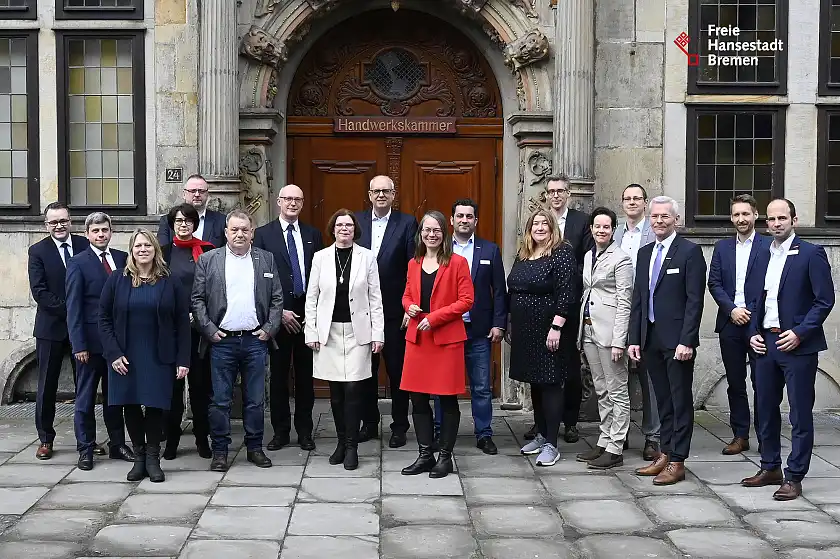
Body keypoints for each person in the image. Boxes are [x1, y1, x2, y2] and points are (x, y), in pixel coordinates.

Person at [742, 199, 835, 501]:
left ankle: (794, 476)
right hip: (765, 344)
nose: (777, 223)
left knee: (799, 413)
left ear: (794, 219)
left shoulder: (811, 253)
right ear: (765, 222)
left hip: (797, 346)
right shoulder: (761, 254)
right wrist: (752, 332)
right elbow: (755, 299)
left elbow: (824, 300)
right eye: (771, 219)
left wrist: (800, 333)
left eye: (782, 218)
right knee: (765, 410)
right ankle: (770, 467)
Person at [192, 210, 284, 472]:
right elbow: (197, 299)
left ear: (252, 232)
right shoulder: (209, 260)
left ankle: (254, 447)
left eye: (245, 229)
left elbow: (277, 298)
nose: (240, 234)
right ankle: (220, 451)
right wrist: (209, 330)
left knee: (255, 400)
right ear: (226, 232)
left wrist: (269, 329)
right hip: (222, 342)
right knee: (220, 400)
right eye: (235, 230)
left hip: (256, 340)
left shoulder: (265, 259)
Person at [99, 229, 191, 483]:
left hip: (159, 355)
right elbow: (103, 318)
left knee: (155, 407)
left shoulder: (169, 281)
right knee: (130, 405)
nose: (143, 250)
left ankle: (153, 458)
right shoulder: (118, 279)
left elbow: (182, 322)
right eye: (138, 246)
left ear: (155, 250)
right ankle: (139, 458)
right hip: (125, 356)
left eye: (147, 246)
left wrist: (183, 359)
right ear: (131, 250)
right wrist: (113, 353)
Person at [628, 196, 706, 486]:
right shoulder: (645, 253)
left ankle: (678, 461)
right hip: (650, 340)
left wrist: (688, 340)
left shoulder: (689, 252)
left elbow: (694, 301)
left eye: (665, 216)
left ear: (676, 219)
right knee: (662, 402)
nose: (659, 221)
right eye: (655, 216)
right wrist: (634, 338)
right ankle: (665, 452)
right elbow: (639, 298)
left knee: (680, 400)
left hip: (677, 343)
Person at [304, 209, 384, 471]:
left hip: (357, 333)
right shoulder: (320, 258)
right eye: (339, 225)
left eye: (349, 225)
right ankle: (340, 442)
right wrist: (312, 332)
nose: (344, 229)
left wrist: (377, 334)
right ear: (332, 228)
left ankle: (352, 447)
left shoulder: (367, 257)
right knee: (336, 394)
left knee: (353, 391)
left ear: (355, 230)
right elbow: (312, 298)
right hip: (329, 334)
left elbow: (375, 299)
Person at [400, 210, 474, 479]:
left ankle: (445, 457)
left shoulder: (457, 263)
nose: (431, 235)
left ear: (444, 233)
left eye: (436, 230)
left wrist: (434, 318)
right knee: (417, 400)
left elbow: (466, 300)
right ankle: (424, 454)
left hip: (445, 340)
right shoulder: (414, 262)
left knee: (447, 400)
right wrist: (408, 307)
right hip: (418, 339)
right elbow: (407, 294)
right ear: (421, 234)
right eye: (426, 230)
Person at [522, 175, 594, 444]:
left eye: (560, 191)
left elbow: (587, 259)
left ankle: (570, 421)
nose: (555, 195)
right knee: (539, 367)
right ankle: (541, 423)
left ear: (568, 193)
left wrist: (562, 278)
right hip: (537, 308)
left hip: (568, 305)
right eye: (551, 191)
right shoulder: (537, 221)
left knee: (570, 366)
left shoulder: (579, 221)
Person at [433, 199, 507, 455]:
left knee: (481, 385)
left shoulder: (489, 250)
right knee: (443, 385)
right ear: (451, 220)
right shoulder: (439, 250)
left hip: (478, 331)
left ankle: (484, 434)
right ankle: (440, 429)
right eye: (459, 216)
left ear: (476, 221)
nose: (464, 220)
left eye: (469, 216)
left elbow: (499, 291)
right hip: (446, 330)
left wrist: (499, 324)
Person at [253, 185, 324, 452]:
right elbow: (259, 279)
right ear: (279, 201)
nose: (292, 203)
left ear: (303, 203)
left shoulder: (313, 235)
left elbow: (319, 275)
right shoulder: (262, 235)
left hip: (307, 315)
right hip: (277, 316)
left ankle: (305, 431)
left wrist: (313, 313)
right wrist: (278, 312)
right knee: (279, 377)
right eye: (288, 199)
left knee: (306, 377)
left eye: (298, 199)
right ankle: (280, 432)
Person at [66, 212, 133, 471]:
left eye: (104, 230)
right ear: (87, 234)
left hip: (117, 344)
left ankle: (117, 444)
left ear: (111, 231)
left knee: (115, 397)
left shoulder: (121, 259)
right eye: (95, 231)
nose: (101, 235)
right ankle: (85, 448)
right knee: (85, 398)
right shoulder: (78, 263)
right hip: (90, 345)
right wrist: (78, 344)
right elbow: (74, 307)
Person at [509, 208, 577, 467]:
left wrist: (557, 326)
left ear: (552, 227)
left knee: (550, 383)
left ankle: (551, 443)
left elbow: (567, 292)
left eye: (544, 223)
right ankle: (540, 434)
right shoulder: (524, 254)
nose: (539, 227)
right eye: (535, 223)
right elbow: (513, 287)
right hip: (526, 330)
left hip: (549, 331)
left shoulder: (561, 252)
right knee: (535, 383)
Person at [357, 175, 418, 448]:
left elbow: (413, 266)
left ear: (394, 194)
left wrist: (409, 304)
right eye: (376, 191)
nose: (381, 195)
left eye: (386, 191)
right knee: (365, 372)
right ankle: (369, 423)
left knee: (397, 371)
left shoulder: (406, 223)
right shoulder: (356, 221)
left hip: (395, 312)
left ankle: (399, 426)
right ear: (369, 195)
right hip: (361, 311)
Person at [707, 194, 770, 455]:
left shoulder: (768, 247)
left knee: (762, 383)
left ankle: (766, 437)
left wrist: (750, 315)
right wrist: (732, 310)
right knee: (735, 382)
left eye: (746, 214)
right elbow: (715, 283)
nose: (741, 219)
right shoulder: (722, 248)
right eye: (736, 215)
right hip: (730, 324)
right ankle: (740, 435)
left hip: (759, 325)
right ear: (731, 217)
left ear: (755, 215)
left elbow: (770, 287)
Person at [28, 202, 89, 460]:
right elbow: (39, 292)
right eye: (53, 222)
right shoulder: (38, 251)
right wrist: (70, 310)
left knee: (84, 385)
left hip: (82, 330)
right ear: (46, 225)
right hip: (51, 327)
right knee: (47, 386)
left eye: (63, 220)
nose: (59, 226)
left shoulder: (85, 246)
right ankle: (45, 439)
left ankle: (86, 440)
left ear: (70, 221)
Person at [575, 207, 634, 470]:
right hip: (588, 330)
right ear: (591, 229)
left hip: (610, 334)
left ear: (613, 230)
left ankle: (616, 446)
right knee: (601, 389)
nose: (601, 230)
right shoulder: (589, 255)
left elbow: (625, 301)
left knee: (617, 390)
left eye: (606, 227)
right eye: (597, 226)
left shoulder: (621, 259)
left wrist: (620, 340)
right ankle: (604, 439)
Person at [161, 203, 216, 459]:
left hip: (199, 330)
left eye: (188, 221)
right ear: (172, 225)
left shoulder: (207, 251)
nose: (184, 225)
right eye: (179, 221)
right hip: (171, 330)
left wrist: (201, 315)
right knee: (172, 389)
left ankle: (202, 439)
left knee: (200, 388)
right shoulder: (162, 253)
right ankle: (171, 441)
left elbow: (214, 290)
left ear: (195, 224)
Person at [613, 184, 661, 461]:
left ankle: (652, 437)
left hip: (646, 310)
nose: (632, 202)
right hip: (619, 309)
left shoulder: (653, 231)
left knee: (648, 377)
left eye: (637, 198)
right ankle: (619, 434)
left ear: (645, 203)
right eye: (627, 198)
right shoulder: (614, 232)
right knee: (618, 376)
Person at [157, 174, 225, 248]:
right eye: (192, 191)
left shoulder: (221, 221)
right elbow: (162, 250)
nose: (197, 194)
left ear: (207, 194)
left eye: (201, 191)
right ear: (184, 194)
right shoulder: (167, 221)